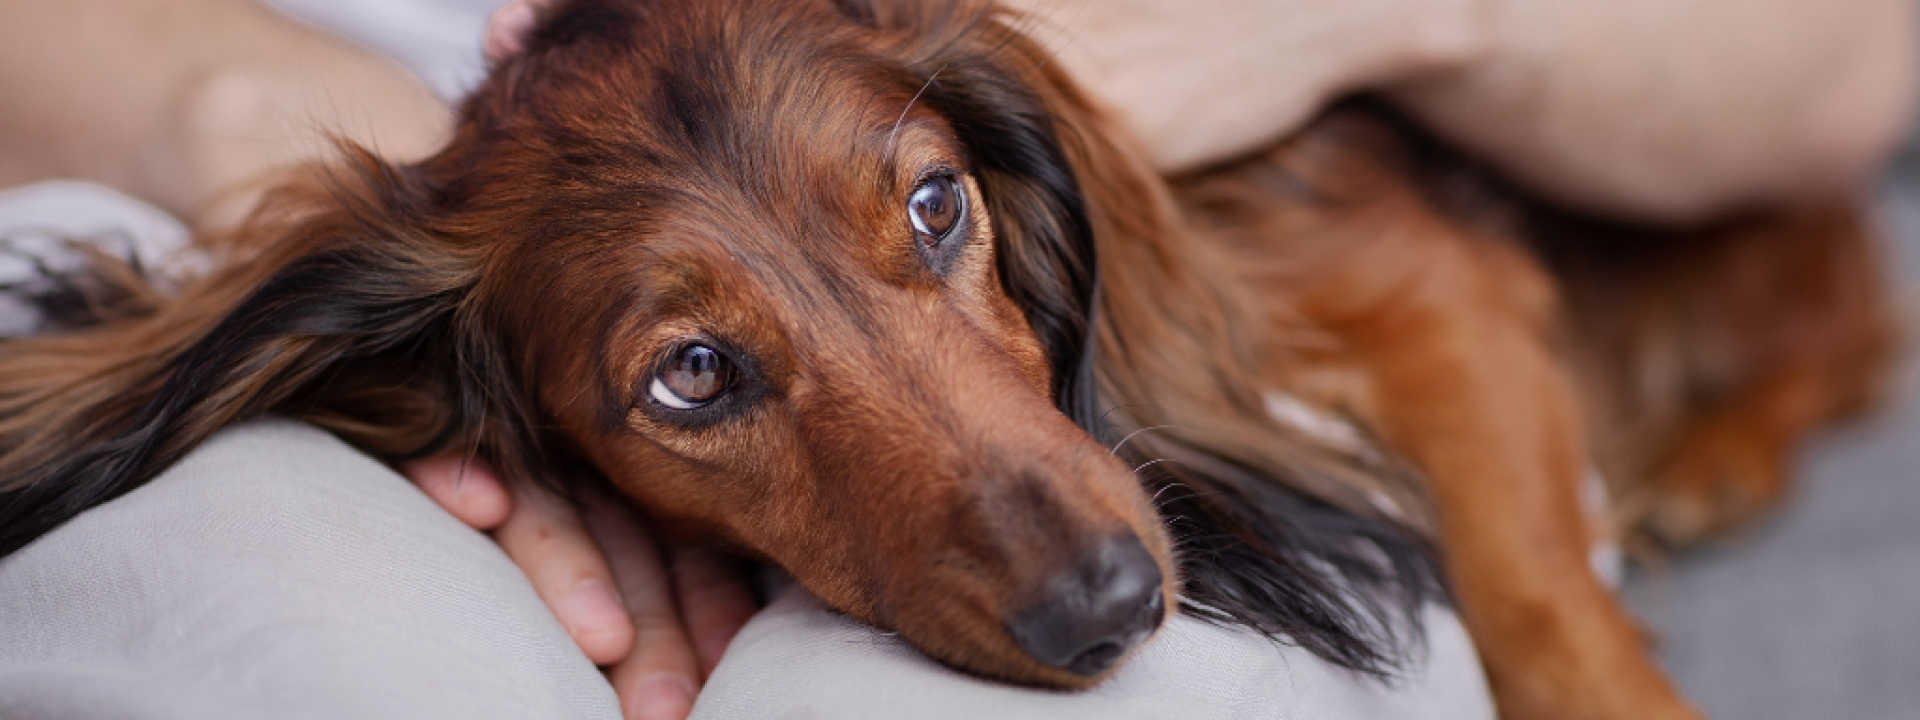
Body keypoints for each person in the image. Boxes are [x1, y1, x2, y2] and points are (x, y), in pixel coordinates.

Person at [0, 1, 1912, 719]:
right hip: (221, 163)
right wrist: (222, 92)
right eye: (700, 375)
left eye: (931, 224)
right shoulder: (406, 304)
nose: (1048, 538)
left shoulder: (1018, 122)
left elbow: (1842, 67)